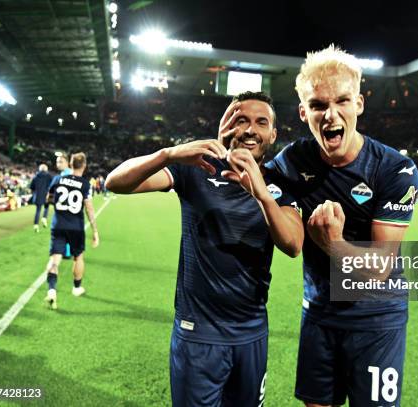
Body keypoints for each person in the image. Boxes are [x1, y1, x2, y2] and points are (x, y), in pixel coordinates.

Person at [105, 91, 303, 406]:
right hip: (198, 333)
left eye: (260, 122)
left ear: (273, 134)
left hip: (251, 333)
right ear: (228, 126)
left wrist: (262, 194)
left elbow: (293, 245)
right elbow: (115, 182)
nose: (250, 129)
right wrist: (168, 154)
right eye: (242, 120)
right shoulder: (197, 167)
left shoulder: (279, 185)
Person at [263, 45, 418, 407]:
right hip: (319, 311)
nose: (331, 115)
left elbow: (379, 269)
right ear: (304, 112)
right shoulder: (291, 162)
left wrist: (334, 243)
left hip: (377, 316)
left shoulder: (395, 169)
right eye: (318, 105)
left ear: (359, 104)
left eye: (342, 101)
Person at [44, 153, 99, 310]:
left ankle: (52, 290)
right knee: (78, 257)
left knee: (55, 259)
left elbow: (49, 198)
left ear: (70, 164)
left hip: (58, 225)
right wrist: (95, 230)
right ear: (84, 166)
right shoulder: (85, 184)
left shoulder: (57, 179)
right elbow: (89, 208)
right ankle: (76, 287)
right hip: (75, 226)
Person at [55, 154, 73, 258]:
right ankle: (66, 251)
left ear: (67, 163)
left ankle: (67, 252)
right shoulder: (63, 174)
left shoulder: (69, 174)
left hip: (68, 207)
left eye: (60, 161)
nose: (58, 164)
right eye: (57, 162)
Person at [30, 164, 53, 232]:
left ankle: (36, 225)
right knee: (46, 207)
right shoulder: (49, 176)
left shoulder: (35, 177)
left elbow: (32, 187)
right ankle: (44, 218)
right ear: (46, 169)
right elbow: (52, 186)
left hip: (37, 196)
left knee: (38, 211)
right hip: (46, 195)